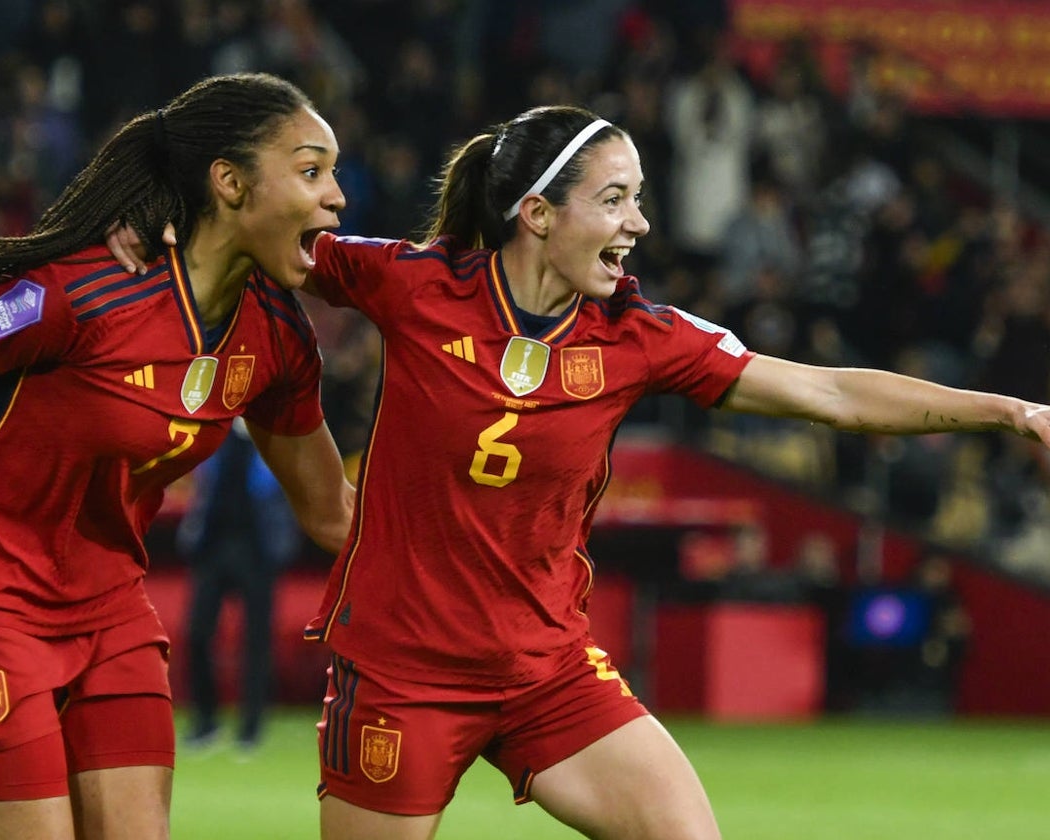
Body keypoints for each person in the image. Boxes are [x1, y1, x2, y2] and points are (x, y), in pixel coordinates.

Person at [111, 104, 1050, 840]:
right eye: (615, 199)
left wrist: (1007, 411)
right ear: (537, 213)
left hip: (547, 672)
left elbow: (829, 395)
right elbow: (268, 242)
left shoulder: (643, 337)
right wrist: (150, 231)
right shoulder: (413, 284)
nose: (639, 222)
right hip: (400, 675)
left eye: (639, 197)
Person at [0, 72, 354, 840]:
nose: (337, 196)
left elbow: (332, 514)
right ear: (229, 182)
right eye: (312, 170)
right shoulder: (74, 295)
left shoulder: (279, 336)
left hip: (110, 606)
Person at [176, 417, 300, 750]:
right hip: (214, 547)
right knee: (198, 633)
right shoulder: (215, 430)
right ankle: (205, 721)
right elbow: (202, 487)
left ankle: (250, 727)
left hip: (258, 550)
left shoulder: (275, 433)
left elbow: (288, 490)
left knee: (257, 640)